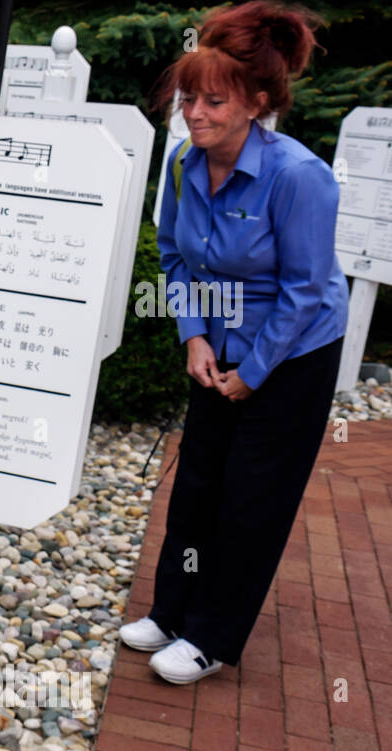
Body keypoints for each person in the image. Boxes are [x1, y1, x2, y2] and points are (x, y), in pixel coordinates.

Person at [119, 1, 348, 684]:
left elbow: (305, 289)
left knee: (252, 497)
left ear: (256, 103)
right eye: (189, 99)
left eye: (214, 101)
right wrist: (194, 338)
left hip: (294, 352)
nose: (195, 114)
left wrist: (254, 371)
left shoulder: (298, 176)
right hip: (217, 343)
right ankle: (172, 612)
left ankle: (212, 637)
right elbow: (174, 256)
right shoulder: (184, 164)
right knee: (197, 483)